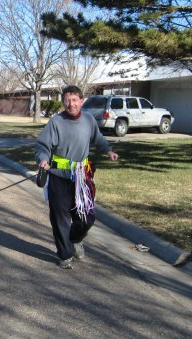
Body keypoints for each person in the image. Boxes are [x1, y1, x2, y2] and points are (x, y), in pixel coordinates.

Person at [35, 85, 118, 269]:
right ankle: (64, 255)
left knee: (87, 217)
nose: (71, 104)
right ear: (63, 102)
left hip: (82, 177)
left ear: (81, 101)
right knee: (60, 218)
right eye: (67, 100)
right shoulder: (56, 122)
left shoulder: (89, 120)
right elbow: (42, 146)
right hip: (58, 176)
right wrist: (42, 160)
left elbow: (98, 138)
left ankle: (75, 239)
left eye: (74, 100)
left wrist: (108, 150)